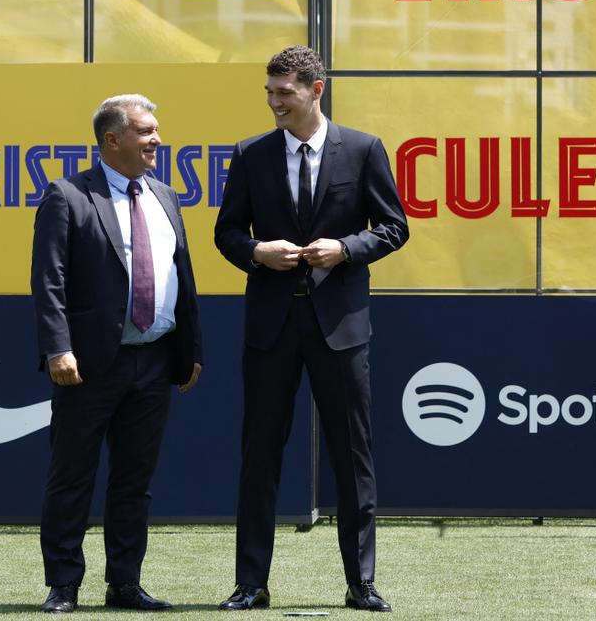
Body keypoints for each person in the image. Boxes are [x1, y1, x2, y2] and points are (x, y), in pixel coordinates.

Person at [214, 46, 408, 612]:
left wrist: (345, 248)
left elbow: (394, 227)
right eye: (269, 93)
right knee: (260, 458)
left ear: (315, 90)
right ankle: (251, 583)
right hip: (270, 328)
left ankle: (361, 582)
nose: (275, 102)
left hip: (341, 328)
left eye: (285, 92)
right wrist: (256, 251)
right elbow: (227, 233)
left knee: (353, 457)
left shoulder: (365, 149)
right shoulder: (251, 153)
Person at [32, 94, 203, 613]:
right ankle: (64, 586)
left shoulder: (166, 196)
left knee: (135, 481)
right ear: (112, 139)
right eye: (146, 131)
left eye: (156, 130)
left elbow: (183, 277)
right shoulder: (67, 195)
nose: (157, 140)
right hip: (87, 366)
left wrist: (190, 349)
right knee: (72, 478)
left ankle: (124, 584)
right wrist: (58, 349)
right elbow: (49, 282)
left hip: (154, 360)